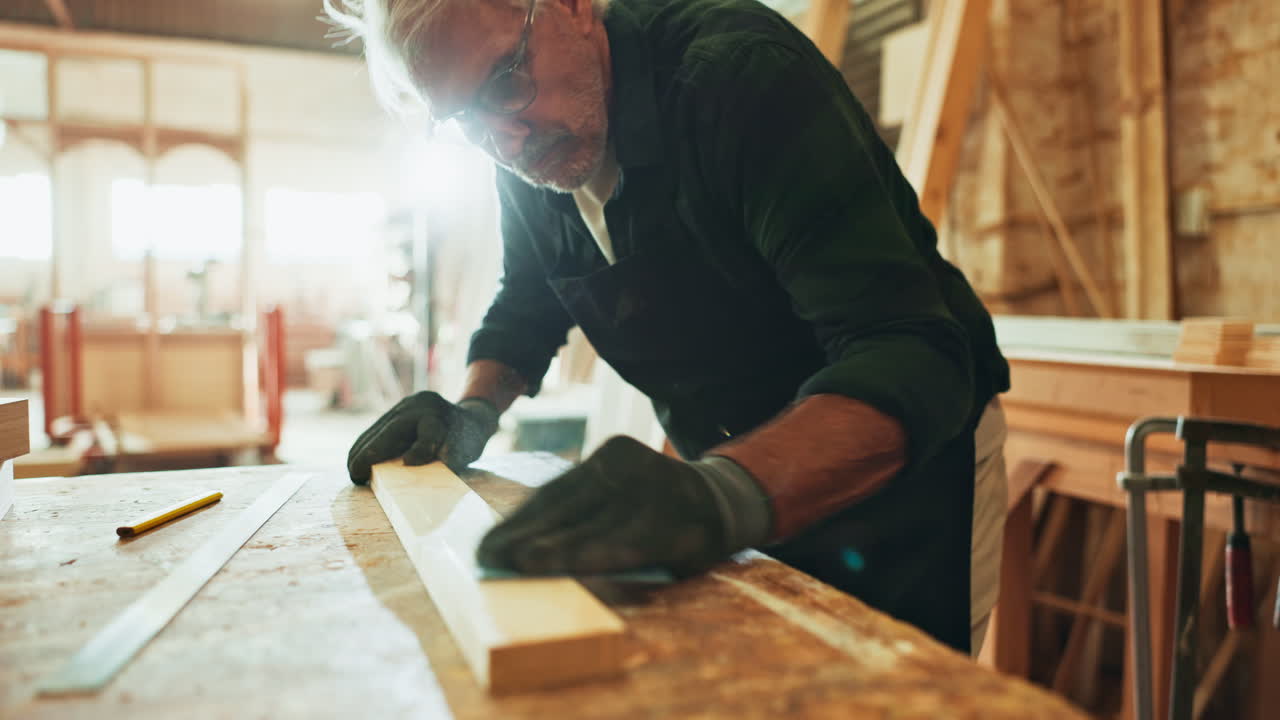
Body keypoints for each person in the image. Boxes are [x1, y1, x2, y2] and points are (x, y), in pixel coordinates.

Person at [330, 0, 1011, 656]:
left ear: (569, 4)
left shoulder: (741, 79)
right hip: (729, 477)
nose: (504, 138)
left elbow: (911, 352)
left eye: (506, 79)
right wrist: (471, 410)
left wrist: (718, 494)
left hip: (897, 475)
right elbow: (529, 300)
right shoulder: (524, 143)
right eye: (464, 119)